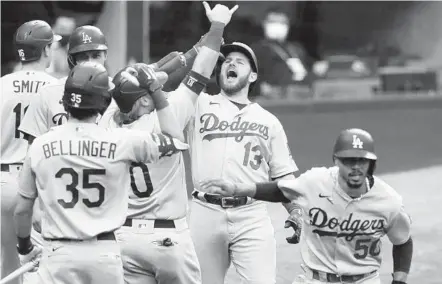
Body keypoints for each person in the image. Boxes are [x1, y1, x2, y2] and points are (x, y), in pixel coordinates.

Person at [99, 3, 238, 284]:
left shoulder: (106, 122)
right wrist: (217, 27)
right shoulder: (166, 117)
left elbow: (147, 78)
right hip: (168, 237)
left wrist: (199, 46)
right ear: (146, 99)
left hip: (123, 237)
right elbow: (199, 74)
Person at [13, 61, 188, 284]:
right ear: (104, 101)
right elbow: (176, 141)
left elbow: (21, 210)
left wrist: (25, 248)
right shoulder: (122, 140)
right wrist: (156, 90)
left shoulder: (40, 144)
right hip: (105, 255)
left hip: (57, 253)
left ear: (65, 101)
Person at [200, 128, 413, 284]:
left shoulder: (388, 201)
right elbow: (280, 190)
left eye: (362, 161)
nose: (356, 167)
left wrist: (400, 280)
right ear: (336, 161)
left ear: (371, 164)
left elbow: (403, 241)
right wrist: (238, 189)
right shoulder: (315, 182)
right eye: (348, 161)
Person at [184, 37, 303, 283]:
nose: (231, 63)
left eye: (240, 61)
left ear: (252, 76)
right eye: (226, 60)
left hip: (252, 214)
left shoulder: (268, 121)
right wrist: (203, 52)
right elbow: (178, 86)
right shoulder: (199, 104)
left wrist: (296, 210)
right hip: (205, 212)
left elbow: (283, 176)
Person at [1, 20, 60, 284]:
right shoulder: (55, 88)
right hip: (35, 188)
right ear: (46, 50)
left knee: (7, 268)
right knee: (39, 266)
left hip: (1, 181)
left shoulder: (1, 85)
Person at [18, 25, 109, 144]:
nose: (90, 63)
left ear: (105, 56)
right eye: (83, 57)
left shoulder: (118, 92)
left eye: (96, 56)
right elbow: (33, 148)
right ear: (72, 59)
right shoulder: (48, 93)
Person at [250, 8, 311, 100]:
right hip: (274, 97)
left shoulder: (297, 49)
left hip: (302, 94)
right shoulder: (256, 49)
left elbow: (308, 71)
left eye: (282, 23)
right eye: (273, 22)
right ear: (264, 24)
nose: (277, 26)